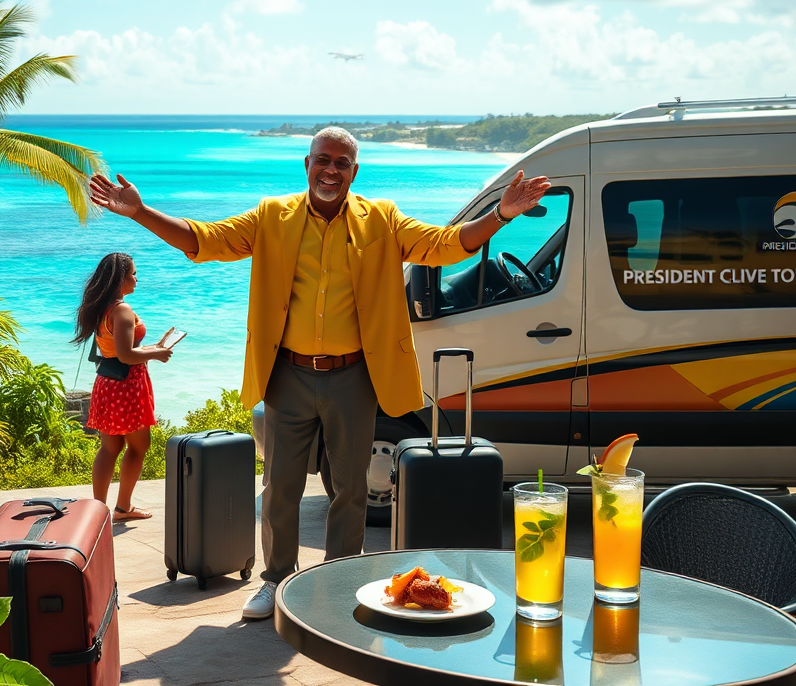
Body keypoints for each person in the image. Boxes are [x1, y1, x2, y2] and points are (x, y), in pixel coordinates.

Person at [90, 128, 550, 618]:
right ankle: (275, 581)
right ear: (306, 165)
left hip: (354, 376)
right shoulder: (272, 216)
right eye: (323, 160)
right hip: (288, 373)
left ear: (355, 171)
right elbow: (205, 241)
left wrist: (500, 214)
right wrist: (139, 213)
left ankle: (338, 578)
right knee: (281, 485)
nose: (331, 170)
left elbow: (445, 245)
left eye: (342, 163)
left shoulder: (382, 220)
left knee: (350, 489)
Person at [74, 252, 175, 521]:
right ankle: (123, 508)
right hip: (128, 386)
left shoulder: (101, 307)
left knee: (110, 448)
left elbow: (114, 351)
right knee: (139, 447)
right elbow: (127, 356)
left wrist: (154, 346)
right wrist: (157, 354)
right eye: (132, 273)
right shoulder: (122, 310)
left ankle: (98, 511)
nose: (136, 278)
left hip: (107, 383)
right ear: (120, 278)